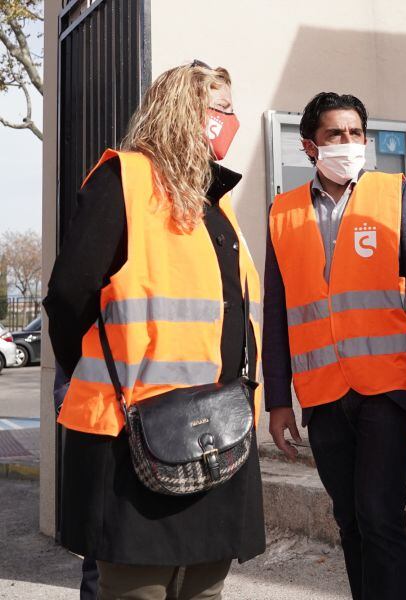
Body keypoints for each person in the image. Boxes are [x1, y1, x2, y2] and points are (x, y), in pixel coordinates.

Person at [43, 61, 264, 600]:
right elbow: (69, 296)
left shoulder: (219, 200)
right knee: (134, 589)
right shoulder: (125, 179)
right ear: (183, 113)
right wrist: (90, 369)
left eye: (231, 108)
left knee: (204, 587)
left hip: (218, 431)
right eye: (221, 107)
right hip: (133, 435)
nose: (230, 120)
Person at [262, 92, 406, 599]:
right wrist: (278, 401)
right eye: (334, 135)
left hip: (388, 391)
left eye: (356, 133)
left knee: (380, 514)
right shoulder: (283, 211)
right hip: (322, 395)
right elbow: (276, 312)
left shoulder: (396, 193)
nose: (348, 143)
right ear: (309, 147)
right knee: (349, 520)